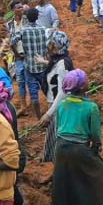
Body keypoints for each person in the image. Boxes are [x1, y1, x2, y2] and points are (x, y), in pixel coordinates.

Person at [52, 70, 103, 205]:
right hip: (80, 150)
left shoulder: (62, 105)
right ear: (81, 86)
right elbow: (95, 134)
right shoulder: (91, 107)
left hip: (60, 149)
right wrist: (96, 148)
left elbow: (58, 128)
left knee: (65, 183)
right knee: (98, 177)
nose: (88, 81)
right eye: (86, 80)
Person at [37, 30, 74, 163]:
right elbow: (56, 68)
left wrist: (49, 114)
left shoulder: (63, 63)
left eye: (52, 45)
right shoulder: (60, 60)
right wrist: (44, 62)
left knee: (57, 143)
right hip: (56, 106)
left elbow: (63, 92)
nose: (49, 47)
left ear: (58, 47)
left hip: (58, 108)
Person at [9, 8, 48, 119]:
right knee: (47, 89)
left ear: (27, 17)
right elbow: (49, 43)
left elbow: (12, 42)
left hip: (29, 66)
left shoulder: (23, 30)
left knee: (33, 94)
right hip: (42, 65)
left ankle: (39, 117)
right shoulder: (43, 29)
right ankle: (52, 110)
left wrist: (17, 55)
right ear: (37, 17)